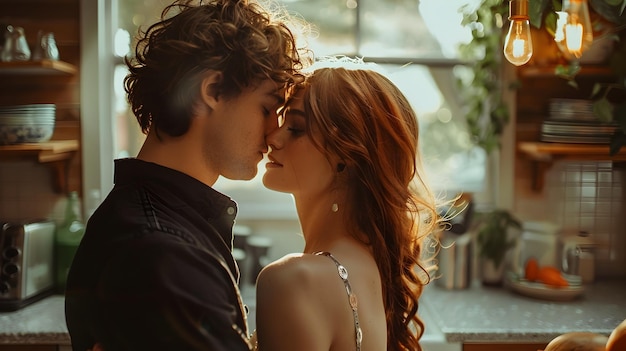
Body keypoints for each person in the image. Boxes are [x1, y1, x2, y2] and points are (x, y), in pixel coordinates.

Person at [64, 0, 308, 350]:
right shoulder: (163, 255)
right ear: (212, 91)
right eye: (267, 108)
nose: (274, 132)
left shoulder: (154, 225)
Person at [255, 58, 442, 351]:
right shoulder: (369, 264)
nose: (273, 138)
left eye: (295, 127)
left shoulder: (294, 281)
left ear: (347, 157)